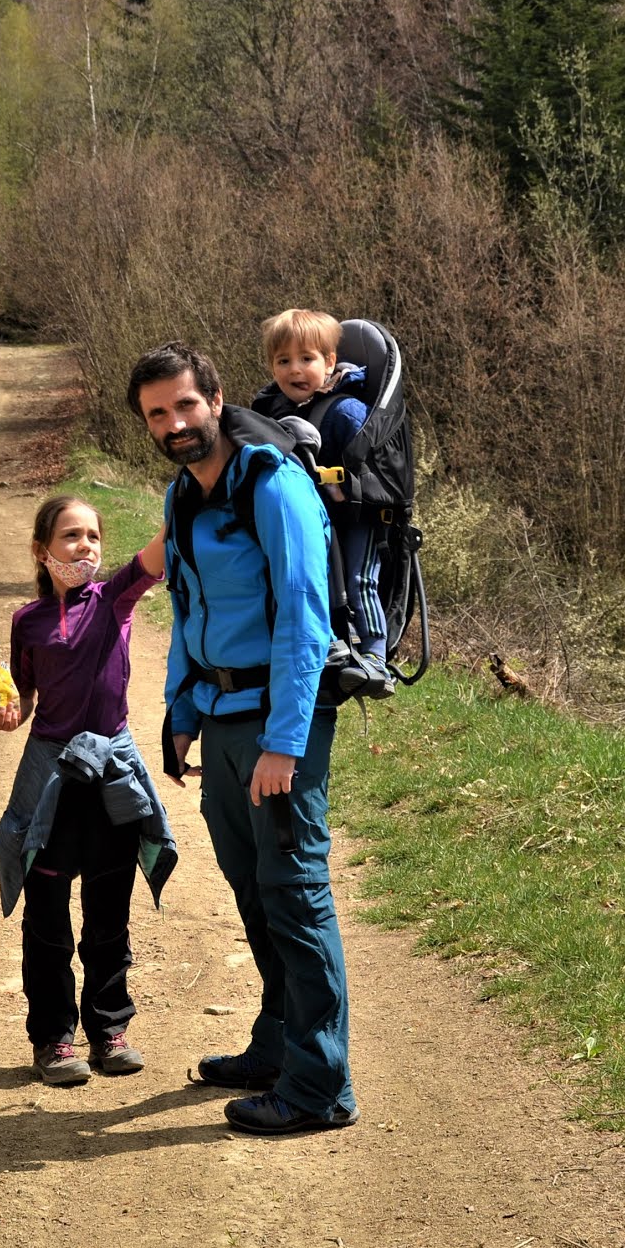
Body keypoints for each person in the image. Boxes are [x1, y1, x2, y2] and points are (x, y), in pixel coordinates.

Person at [129, 340, 360, 1135]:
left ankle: (321, 1086)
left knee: (294, 893)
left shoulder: (273, 484)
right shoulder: (179, 497)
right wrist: (180, 714)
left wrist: (286, 743)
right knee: (252, 889)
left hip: (277, 723)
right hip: (221, 718)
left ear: (217, 399)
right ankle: (278, 1044)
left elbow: (303, 618)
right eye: (157, 413)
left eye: (185, 405)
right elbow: (186, 610)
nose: (174, 423)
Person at [0, 496, 176, 1086]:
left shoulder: (114, 600)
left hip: (113, 769)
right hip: (50, 774)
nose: (85, 546)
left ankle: (109, 1030)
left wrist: (202, 489)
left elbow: (158, 553)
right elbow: (23, 702)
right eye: (71, 536)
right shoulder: (27, 621)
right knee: (46, 916)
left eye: (93, 535)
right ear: (42, 552)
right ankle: (53, 1039)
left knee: (109, 911)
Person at [256, 307, 393, 698]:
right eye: (283, 361)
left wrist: (341, 483)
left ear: (329, 361)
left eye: (306, 359)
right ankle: (337, 646)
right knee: (321, 584)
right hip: (315, 520)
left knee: (358, 580)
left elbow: (373, 463)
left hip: (357, 516)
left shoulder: (345, 410)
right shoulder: (275, 412)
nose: (295, 370)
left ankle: (376, 657)